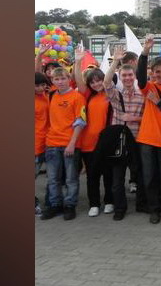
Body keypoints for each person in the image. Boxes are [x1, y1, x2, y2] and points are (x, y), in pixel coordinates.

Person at [135, 36, 161, 224]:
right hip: (147, 140)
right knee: (149, 177)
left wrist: (159, 103)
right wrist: (145, 52)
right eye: (156, 72)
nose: (159, 75)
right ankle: (154, 210)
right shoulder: (149, 87)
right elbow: (140, 77)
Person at [103, 46, 145, 221]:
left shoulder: (142, 95)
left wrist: (133, 118)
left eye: (130, 75)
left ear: (134, 77)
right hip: (119, 142)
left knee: (141, 175)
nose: (127, 78)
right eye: (124, 76)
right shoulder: (115, 95)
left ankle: (142, 204)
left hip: (137, 140)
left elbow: (148, 118)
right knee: (117, 179)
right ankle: (120, 208)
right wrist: (115, 62)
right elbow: (106, 82)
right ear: (120, 77)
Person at [40, 67, 86, 221]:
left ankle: (70, 205)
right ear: (52, 81)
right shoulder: (51, 95)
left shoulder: (77, 97)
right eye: (57, 79)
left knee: (71, 179)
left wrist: (72, 143)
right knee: (53, 179)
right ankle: (55, 205)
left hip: (70, 144)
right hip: (52, 143)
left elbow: (81, 122)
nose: (60, 82)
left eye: (63, 78)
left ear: (69, 79)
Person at [74, 47, 114, 218]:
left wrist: (116, 62)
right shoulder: (88, 95)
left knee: (108, 174)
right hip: (88, 143)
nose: (96, 84)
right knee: (92, 176)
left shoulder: (110, 94)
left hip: (106, 142)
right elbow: (78, 81)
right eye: (93, 82)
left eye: (99, 81)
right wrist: (77, 62)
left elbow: (109, 79)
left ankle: (109, 201)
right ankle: (94, 204)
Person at [35, 72, 50, 216]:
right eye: (37, 86)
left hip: (49, 142)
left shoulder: (45, 96)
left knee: (52, 177)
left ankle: (50, 202)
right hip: (35, 145)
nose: (40, 88)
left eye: (42, 85)